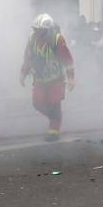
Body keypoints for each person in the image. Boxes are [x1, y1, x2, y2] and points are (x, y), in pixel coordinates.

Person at [20, 13, 75, 142]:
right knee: (37, 104)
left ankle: (54, 131)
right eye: (35, 29)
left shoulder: (57, 40)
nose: (36, 32)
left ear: (46, 30)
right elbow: (27, 59)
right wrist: (23, 74)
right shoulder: (32, 39)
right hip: (39, 80)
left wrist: (71, 78)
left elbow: (68, 60)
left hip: (55, 79)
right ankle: (54, 118)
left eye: (39, 30)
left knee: (55, 104)